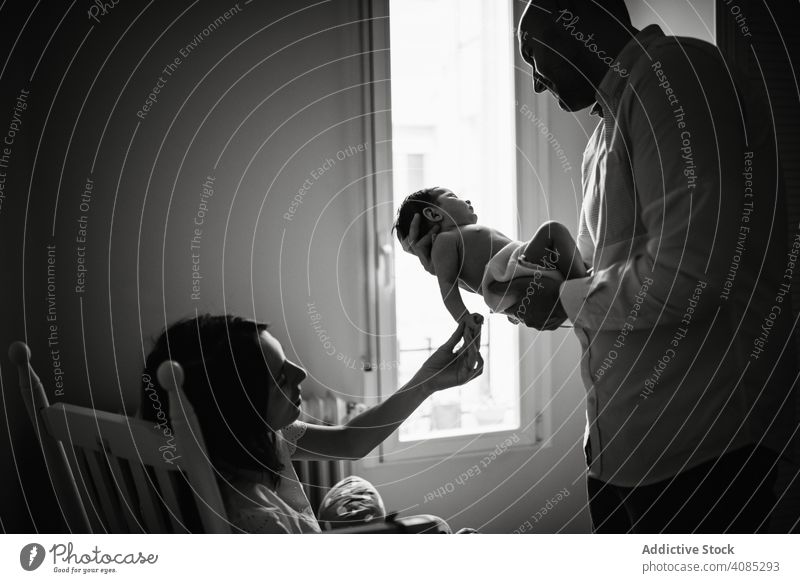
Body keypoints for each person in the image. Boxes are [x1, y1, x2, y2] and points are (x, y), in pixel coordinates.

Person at [403, 0, 797, 533]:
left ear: (578, 22)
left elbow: (693, 276)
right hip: (619, 456)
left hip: (704, 453)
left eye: (534, 55)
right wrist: (518, 284)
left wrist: (563, 298)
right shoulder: (602, 139)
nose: (537, 84)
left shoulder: (674, 79)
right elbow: (599, 283)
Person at [141, 314, 482, 533]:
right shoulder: (259, 520)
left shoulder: (261, 438)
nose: (301, 374)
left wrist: (427, 381)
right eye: (281, 376)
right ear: (240, 410)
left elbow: (351, 441)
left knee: (354, 489)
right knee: (433, 528)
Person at [393, 186, 586, 331]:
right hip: (511, 274)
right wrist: (464, 318)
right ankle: (586, 283)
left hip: (520, 269)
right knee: (552, 231)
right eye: (453, 196)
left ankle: (582, 282)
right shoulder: (446, 240)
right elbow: (447, 286)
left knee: (563, 264)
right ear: (434, 213)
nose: (466, 200)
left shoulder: (458, 239)